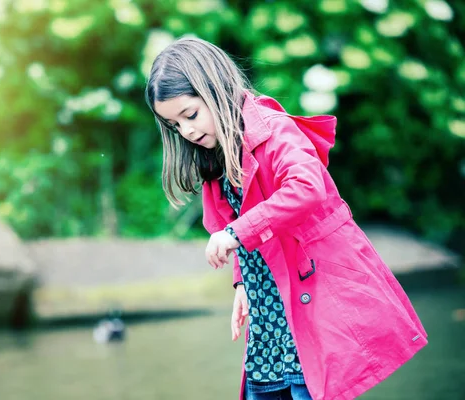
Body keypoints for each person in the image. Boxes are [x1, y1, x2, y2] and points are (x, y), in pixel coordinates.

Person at [145, 37, 427, 400]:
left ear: (214, 89)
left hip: (307, 307)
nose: (187, 131)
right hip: (268, 323)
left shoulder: (274, 130)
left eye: (190, 115)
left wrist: (235, 234)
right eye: (175, 125)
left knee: (308, 387)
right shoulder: (214, 157)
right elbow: (241, 224)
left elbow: (306, 188)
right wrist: (244, 283)